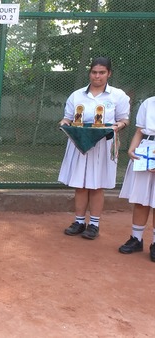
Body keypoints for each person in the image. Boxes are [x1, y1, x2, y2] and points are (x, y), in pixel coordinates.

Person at [59, 57, 130, 240]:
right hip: (79, 144)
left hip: (103, 146)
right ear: (89, 73)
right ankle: (79, 222)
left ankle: (94, 225)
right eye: (94, 72)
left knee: (97, 186)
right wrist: (64, 123)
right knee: (80, 185)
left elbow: (124, 120)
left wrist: (117, 126)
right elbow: (68, 118)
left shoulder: (118, 95)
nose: (97, 76)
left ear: (109, 74)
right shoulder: (77, 95)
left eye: (102, 72)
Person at [117, 96, 155, 261]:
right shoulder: (149, 102)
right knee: (140, 198)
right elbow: (140, 130)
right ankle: (136, 239)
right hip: (145, 151)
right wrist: (132, 150)